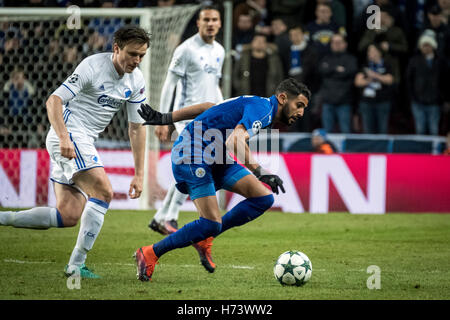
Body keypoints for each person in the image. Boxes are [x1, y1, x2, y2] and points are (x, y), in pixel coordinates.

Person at [0, 25, 151, 279]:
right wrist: (63, 137)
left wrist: (140, 173)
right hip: (69, 133)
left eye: (141, 56)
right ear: (116, 49)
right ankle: (75, 266)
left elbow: (136, 128)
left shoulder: (136, 80)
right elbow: (54, 100)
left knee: (67, 215)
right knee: (103, 191)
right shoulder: (92, 66)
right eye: (132, 54)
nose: (136, 61)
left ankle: (3, 219)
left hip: (84, 140)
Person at [134, 78, 311, 281]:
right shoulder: (263, 110)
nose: (301, 113)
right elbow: (234, 140)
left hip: (215, 155)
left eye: (304, 108)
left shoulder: (258, 104)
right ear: (282, 98)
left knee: (263, 198)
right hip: (191, 154)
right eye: (299, 105)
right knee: (210, 222)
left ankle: (206, 238)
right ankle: (149, 253)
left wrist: (166, 117)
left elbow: (210, 107)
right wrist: (260, 171)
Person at [148, 5, 224, 236]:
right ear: (198, 23)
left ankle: (162, 216)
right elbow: (169, 85)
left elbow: (214, 86)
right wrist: (163, 119)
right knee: (193, 166)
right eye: (206, 20)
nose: (210, 23)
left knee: (192, 168)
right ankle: (168, 216)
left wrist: (223, 111)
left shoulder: (219, 50)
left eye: (214, 20)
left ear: (219, 24)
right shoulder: (186, 50)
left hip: (209, 119)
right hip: (186, 117)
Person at [406, 33, 447, 136]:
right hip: (418, 101)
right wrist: (413, 97)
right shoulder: (414, 61)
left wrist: (443, 98)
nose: (425, 48)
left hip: (435, 102)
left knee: (434, 130)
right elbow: (409, 80)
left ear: (433, 46)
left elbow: (445, 81)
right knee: (420, 130)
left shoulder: (441, 61)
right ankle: (421, 152)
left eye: (428, 45)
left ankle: (434, 152)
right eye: (423, 45)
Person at [318, 33, 357, 133]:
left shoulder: (351, 59)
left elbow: (350, 72)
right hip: (327, 101)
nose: (336, 44)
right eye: (334, 42)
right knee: (327, 133)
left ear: (345, 44)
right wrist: (337, 69)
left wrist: (331, 71)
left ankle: (345, 150)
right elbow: (321, 71)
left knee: (345, 132)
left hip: (344, 101)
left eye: (339, 42)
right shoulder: (325, 58)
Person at [354, 43, 394, 134]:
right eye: (369, 51)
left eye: (372, 51)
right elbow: (358, 82)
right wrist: (370, 80)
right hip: (367, 102)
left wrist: (374, 75)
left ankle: (382, 148)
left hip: (382, 102)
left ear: (379, 52)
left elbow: (390, 80)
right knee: (368, 130)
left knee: (382, 129)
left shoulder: (386, 65)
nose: (370, 53)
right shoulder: (365, 66)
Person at [232, 33, 284, 97]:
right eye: (257, 40)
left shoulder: (274, 59)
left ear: (266, 44)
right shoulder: (243, 58)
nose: (259, 43)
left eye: (262, 41)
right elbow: (235, 74)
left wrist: (275, 91)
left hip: (267, 98)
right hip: (246, 97)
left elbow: (279, 78)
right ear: (252, 43)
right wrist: (240, 87)